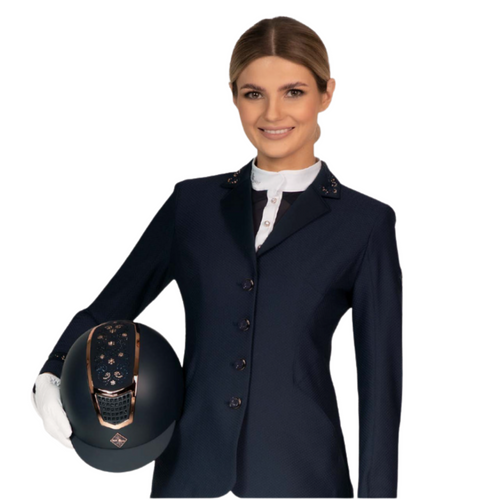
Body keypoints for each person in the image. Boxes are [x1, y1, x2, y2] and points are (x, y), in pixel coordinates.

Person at [32, 16, 403, 498]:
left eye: (293, 92)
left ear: (326, 93)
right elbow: (112, 304)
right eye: (253, 93)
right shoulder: (193, 206)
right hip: (189, 473)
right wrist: (52, 370)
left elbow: (379, 384)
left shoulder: (365, 223)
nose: (272, 113)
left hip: (304, 477)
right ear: (234, 96)